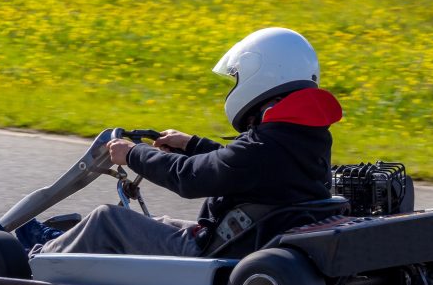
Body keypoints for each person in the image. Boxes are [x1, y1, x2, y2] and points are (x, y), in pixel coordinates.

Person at [23, 27, 343, 257]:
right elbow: (243, 166)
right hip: (249, 236)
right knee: (156, 223)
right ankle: (61, 243)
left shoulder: (262, 147)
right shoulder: (304, 135)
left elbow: (190, 178)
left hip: (217, 248)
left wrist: (133, 154)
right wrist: (192, 144)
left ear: (263, 75)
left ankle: (34, 258)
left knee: (107, 220)